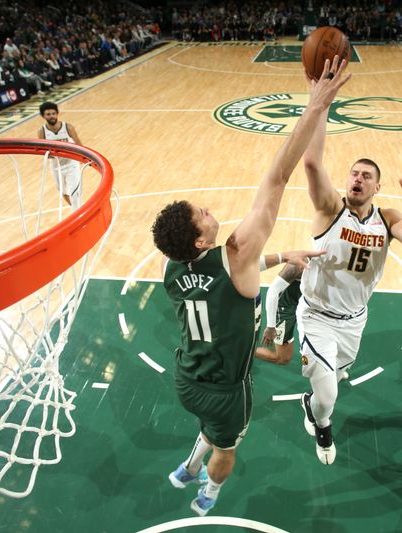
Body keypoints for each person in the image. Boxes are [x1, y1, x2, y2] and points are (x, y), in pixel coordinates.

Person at [151, 58, 350, 517]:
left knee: (210, 427)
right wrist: (315, 106)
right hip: (225, 389)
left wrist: (283, 256)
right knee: (228, 448)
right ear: (201, 240)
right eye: (199, 214)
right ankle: (208, 492)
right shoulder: (236, 251)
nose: (204, 208)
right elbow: (278, 175)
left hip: (187, 377)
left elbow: (229, 279)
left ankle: (187, 465)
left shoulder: (173, 268)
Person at [297, 103, 402, 464]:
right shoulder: (331, 208)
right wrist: (322, 106)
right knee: (327, 395)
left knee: (334, 379)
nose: (357, 179)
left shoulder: (388, 218)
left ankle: (314, 402)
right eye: (353, 174)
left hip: (354, 320)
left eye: (366, 176)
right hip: (316, 316)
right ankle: (323, 425)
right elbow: (312, 163)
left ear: (378, 186)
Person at [36, 101, 83, 209]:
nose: (51, 116)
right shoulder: (42, 132)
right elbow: (43, 152)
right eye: (48, 114)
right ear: (43, 116)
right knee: (63, 191)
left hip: (71, 163)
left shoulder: (68, 127)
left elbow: (79, 144)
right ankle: (76, 209)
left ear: (57, 114)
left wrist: (82, 158)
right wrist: (55, 154)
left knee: (74, 191)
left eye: (53, 113)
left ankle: (76, 213)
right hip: (56, 166)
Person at [254, 264, 302, 365]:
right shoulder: (298, 265)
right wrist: (271, 326)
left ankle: (336, 370)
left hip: (303, 305)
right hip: (285, 308)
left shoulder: (337, 265)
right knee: (283, 358)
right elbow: (272, 292)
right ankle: (242, 351)